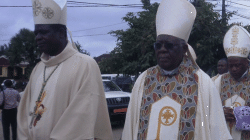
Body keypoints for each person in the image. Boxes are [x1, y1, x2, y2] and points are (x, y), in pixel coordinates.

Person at [122, 0, 231, 139]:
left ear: (184, 49)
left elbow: (216, 129)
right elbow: (131, 125)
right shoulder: (144, 79)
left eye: (169, 45)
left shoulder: (202, 82)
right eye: (158, 45)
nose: (162, 50)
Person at [17, 0, 113, 139]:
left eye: (43, 32)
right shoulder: (38, 68)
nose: (38, 38)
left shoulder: (85, 65)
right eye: (36, 33)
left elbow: (80, 118)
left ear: (61, 33)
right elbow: (24, 114)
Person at [214, 25, 250, 140]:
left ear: (247, 63)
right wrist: (220, 112)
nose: (233, 69)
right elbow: (208, 108)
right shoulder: (219, 81)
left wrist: (240, 115)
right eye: (231, 65)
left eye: (237, 65)